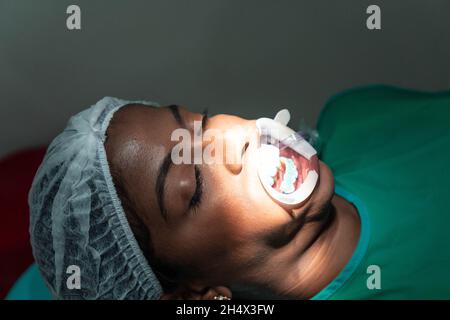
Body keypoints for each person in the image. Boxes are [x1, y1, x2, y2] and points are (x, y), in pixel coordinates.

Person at [22, 85, 450, 299]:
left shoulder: (355, 113)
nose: (234, 137)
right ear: (199, 294)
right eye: (194, 189)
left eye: (199, 124)